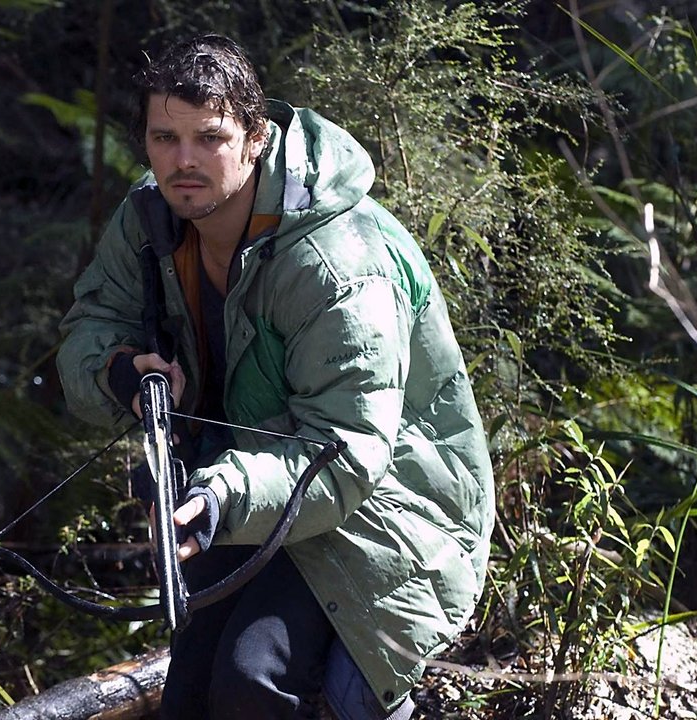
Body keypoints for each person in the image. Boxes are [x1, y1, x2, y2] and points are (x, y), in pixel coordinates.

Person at [56, 34, 494, 720]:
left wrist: (221, 494)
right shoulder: (149, 215)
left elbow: (348, 450)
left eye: (210, 137)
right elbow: (92, 324)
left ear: (256, 138)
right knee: (188, 696)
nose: (184, 160)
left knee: (249, 681)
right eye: (165, 138)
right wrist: (121, 374)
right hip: (246, 494)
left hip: (382, 510)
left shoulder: (337, 264)